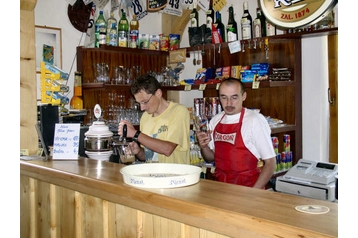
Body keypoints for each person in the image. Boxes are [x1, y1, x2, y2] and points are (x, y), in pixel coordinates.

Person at [196, 77, 276, 189]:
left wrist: (254, 193)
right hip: (221, 187)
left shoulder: (254, 120)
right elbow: (210, 158)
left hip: (248, 188)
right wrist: (203, 146)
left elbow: (271, 163)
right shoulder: (215, 120)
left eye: (234, 97)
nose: (229, 103)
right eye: (224, 97)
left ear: (244, 96)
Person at [117, 73, 190, 164]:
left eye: (145, 102)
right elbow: (148, 156)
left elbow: (168, 150)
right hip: (152, 176)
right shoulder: (145, 117)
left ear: (158, 93)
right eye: (139, 103)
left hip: (175, 177)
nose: (142, 108)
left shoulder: (179, 111)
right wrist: (138, 151)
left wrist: (135, 134)